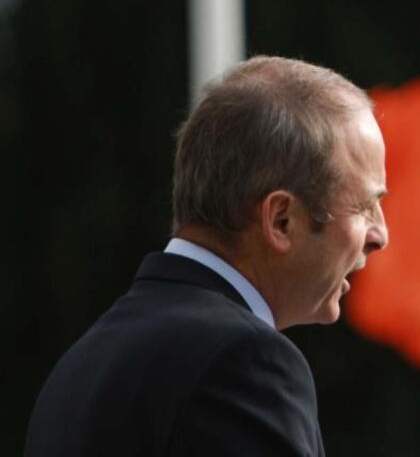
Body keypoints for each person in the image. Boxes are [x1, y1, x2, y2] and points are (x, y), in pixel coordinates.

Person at [25, 56, 389, 456]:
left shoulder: (83, 364)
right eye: (365, 207)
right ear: (281, 220)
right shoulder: (243, 361)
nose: (380, 235)